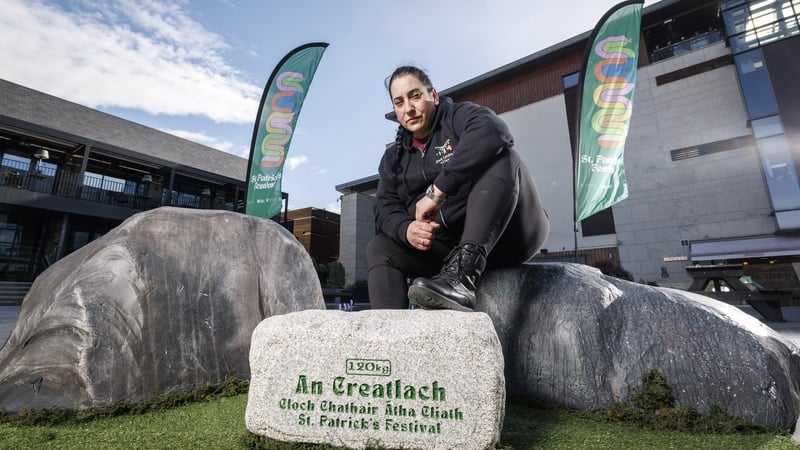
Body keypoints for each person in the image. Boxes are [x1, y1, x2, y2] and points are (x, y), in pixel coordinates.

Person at [366, 65, 549, 311]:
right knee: (379, 247)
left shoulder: (458, 116)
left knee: (503, 156)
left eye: (415, 96)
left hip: (508, 236)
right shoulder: (392, 159)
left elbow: (494, 131)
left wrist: (439, 190)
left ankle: (463, 279)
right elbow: (384, 208)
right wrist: (406, 228)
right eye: (399, 102)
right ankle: (386, 340)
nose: (408, 108)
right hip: (447, 249)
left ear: (434, 95)